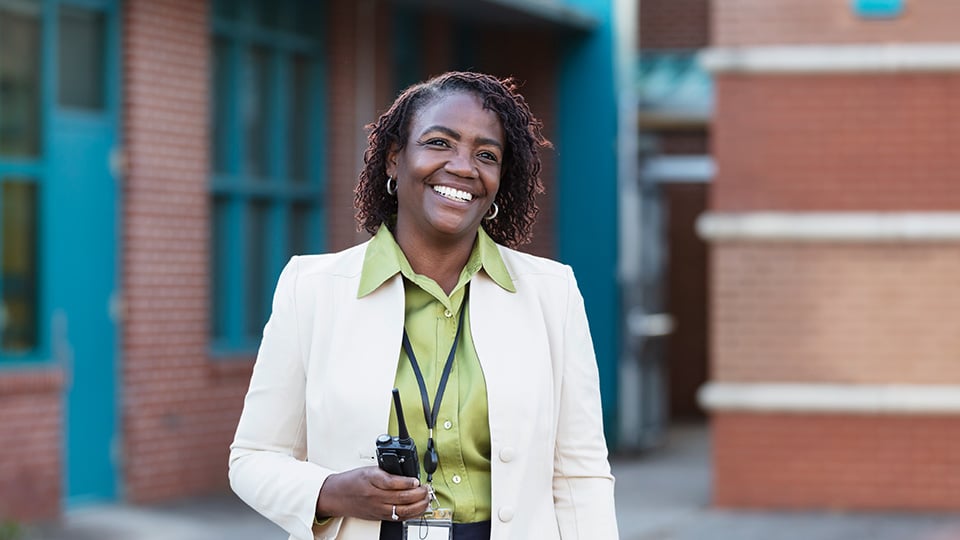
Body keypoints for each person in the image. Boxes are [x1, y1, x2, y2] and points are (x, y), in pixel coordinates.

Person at [229, 71, 619, 540]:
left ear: (499, 180)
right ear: (395, 159)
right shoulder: (310, 289)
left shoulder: (552, 294)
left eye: (486, 155)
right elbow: (252, 457)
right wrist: (330, 491)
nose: (463, 166)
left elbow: (581, 474)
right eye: (439, 143)